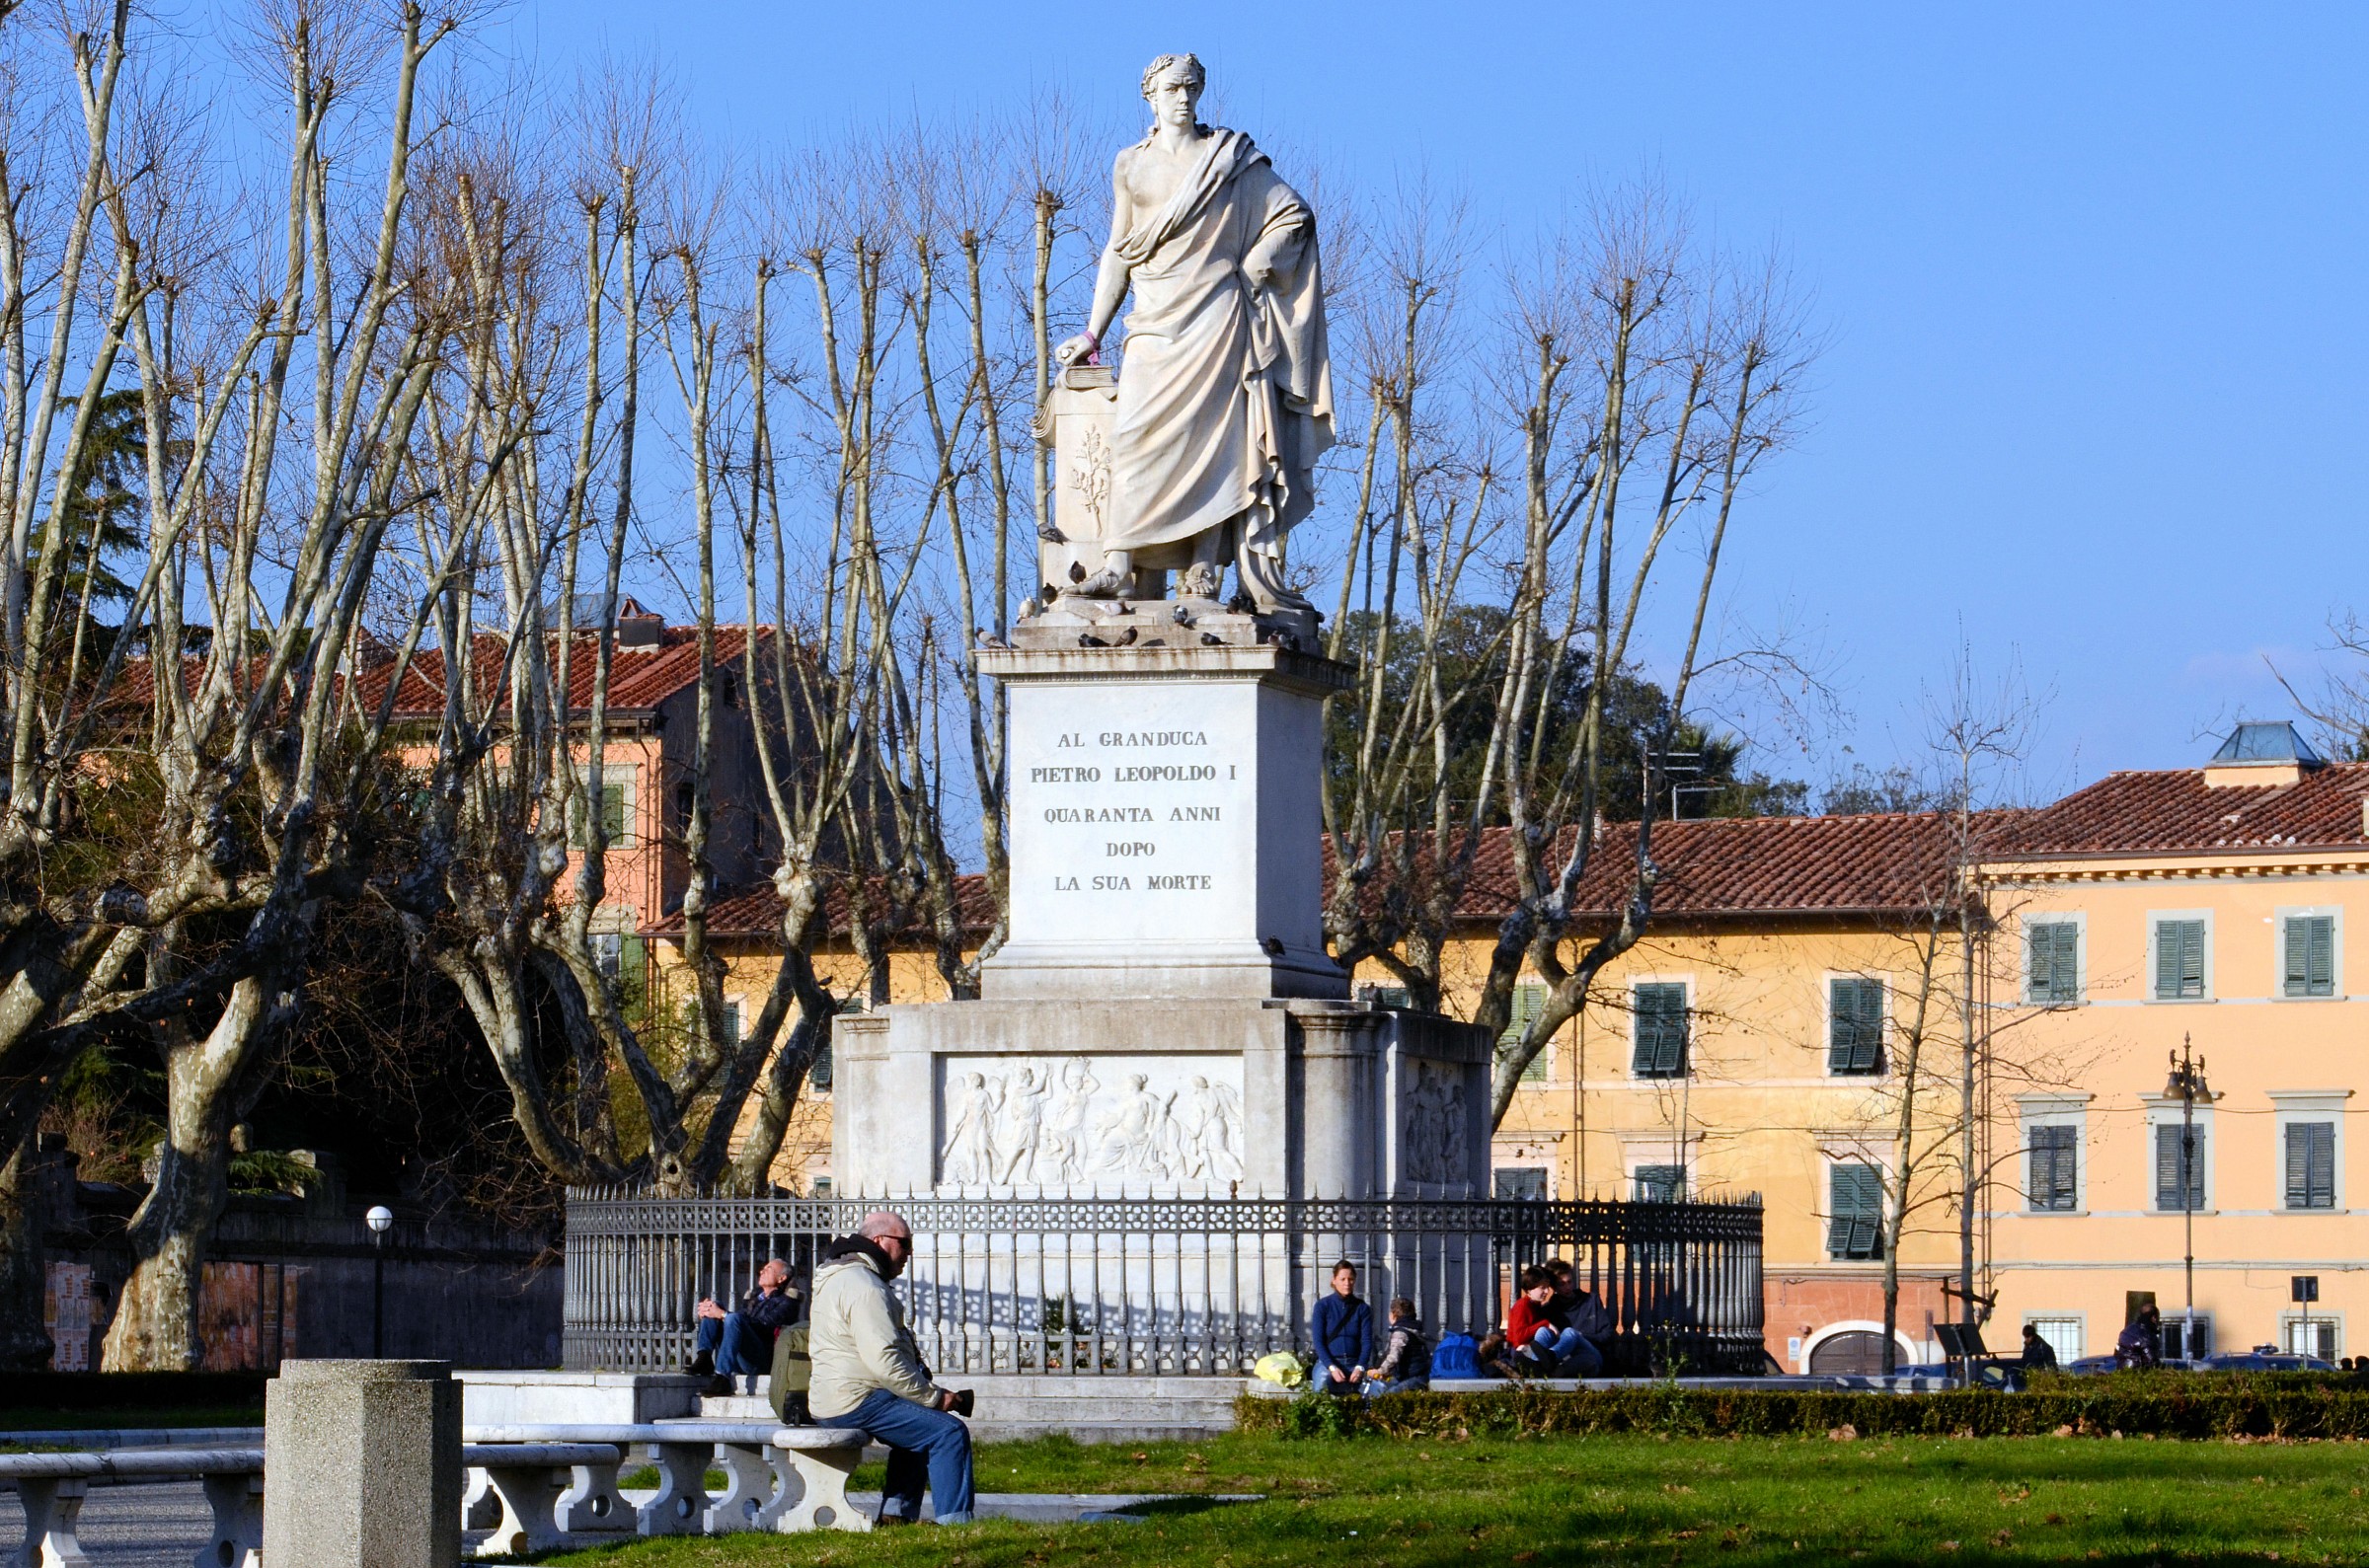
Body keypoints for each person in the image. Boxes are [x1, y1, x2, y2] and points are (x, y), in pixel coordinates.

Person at [808, 1211, 976, 1526]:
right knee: (948, 1432)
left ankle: (895, 1517)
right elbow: (884, 1359)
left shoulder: (841, 1275)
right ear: (880, 1241)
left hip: (834, 1396)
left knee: (918, 1427)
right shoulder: (865, 1286)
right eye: (905, 1244)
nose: (909, 1254)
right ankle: (957, 1525)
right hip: (856, 1398)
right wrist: (935, 1398)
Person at [689, 1257, 802, 1395]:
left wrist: (723, 1314)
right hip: (741, 1357)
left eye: (768, 1269)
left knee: (728, 1316)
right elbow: (736, 1323)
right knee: (714, 1306)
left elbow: (764, 1325)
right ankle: (704, 1357)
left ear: (781, 1278)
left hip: (760, 1360)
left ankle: (722, 1377)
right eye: (763, 1268)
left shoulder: (787, 1302)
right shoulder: (754, 1297)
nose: (762, 1271)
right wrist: (712, 1311)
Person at [1506, 1265, 1583, 1375]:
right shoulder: (1522, 1306)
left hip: (1536, 1350)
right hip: (1522, 1352)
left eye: (1547, 1287)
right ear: (1529, 1289)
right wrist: (1545, 1323)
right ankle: (1547, 1359)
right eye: (1542, 1288)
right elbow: (1519, 1338)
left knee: (1571, 1334)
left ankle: (1549, 1358)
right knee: (1565, 1333)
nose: (1546, 1291)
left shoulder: (1536, 1305)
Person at [1310, 1260, 1374, 1393]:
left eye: (1350, 1279)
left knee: (1372, 1391)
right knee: (1320, 1389)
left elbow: (1367, 1341)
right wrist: (1331, 1367)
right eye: (1342, 1279)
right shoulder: (1323, 1306)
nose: (1347, 1283)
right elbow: (1318, 1341)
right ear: (1334, 1281)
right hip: (1328, 1362)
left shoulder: (1362, 1308)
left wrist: (1360, 1366)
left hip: (1354, 1362)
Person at [1544, 1258, 1609, 1377]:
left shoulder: (1591, 1300)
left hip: (1592, 1351)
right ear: (1554, 1287)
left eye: (1569, 1282)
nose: (1567, 1287)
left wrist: (1581, 1337)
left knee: (1571, 1333)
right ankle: (1555, 1371)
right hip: (1568, 1358)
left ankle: (1550, 1357)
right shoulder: (1549, 1310)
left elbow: (1606, 1334)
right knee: (1587, 1361)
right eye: (1562, 1284)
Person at [1363, 1298, 1431, 1395]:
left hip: (1412, 1377)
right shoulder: (1414, 1328)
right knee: (1382, 1389)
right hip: (1418, 1375)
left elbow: (1393, 1357)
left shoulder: (1400, 1333)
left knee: (1386, 1397)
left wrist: (1380, 1371)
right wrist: (1387, 1373)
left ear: (1393, 1315)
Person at [2115, 1303, 2162, 1370]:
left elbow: (2117, 1353)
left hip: (2121, 1372)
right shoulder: (2147, 1335)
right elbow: (2152, 1361)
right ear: (2154, 1318)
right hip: (2138, 1374)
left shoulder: (2126, 1331)